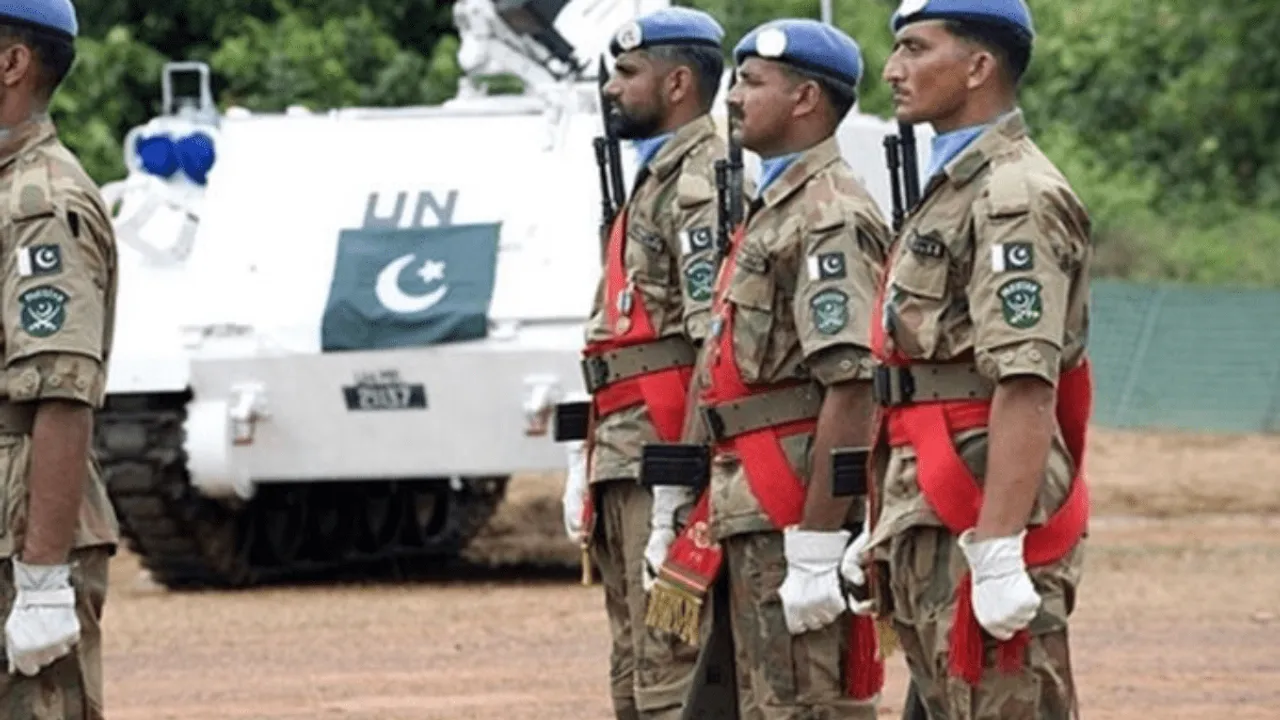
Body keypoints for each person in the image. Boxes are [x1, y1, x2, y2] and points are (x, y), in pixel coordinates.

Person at [839, 0, 1095, 717]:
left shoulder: (1012, 195)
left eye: (916, 49)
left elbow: (1024, 379)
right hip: (932, 497)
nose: (893, 71)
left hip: (980, 497)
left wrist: (1000, 546)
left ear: (979, 66)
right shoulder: (954, 188)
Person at [645, 17, 892, 718]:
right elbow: (716, 364)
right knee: (757, 702)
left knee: (803, 704)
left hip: (788, 503)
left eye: (752, 83)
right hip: (742, 499)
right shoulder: (771, 208)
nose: (731, 99)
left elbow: (852, 383)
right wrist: (675, 497)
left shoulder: (829, 214)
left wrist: (818, 539)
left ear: (806, 98)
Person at [561, 6, 729, 718]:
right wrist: (583, 454)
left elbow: (709, 345)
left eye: (627, 72)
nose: (610, 88)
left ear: (678, 83)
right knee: (634, 665)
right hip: (623, 444)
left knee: (670, 669)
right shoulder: (653, 178)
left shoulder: (698, 184)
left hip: (662, 447)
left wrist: (678, 484)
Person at [0, 1, 121, 718]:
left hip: (18, 536)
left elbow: (62, 390)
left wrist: (43, 579)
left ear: (11, 64)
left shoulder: (40, 206)